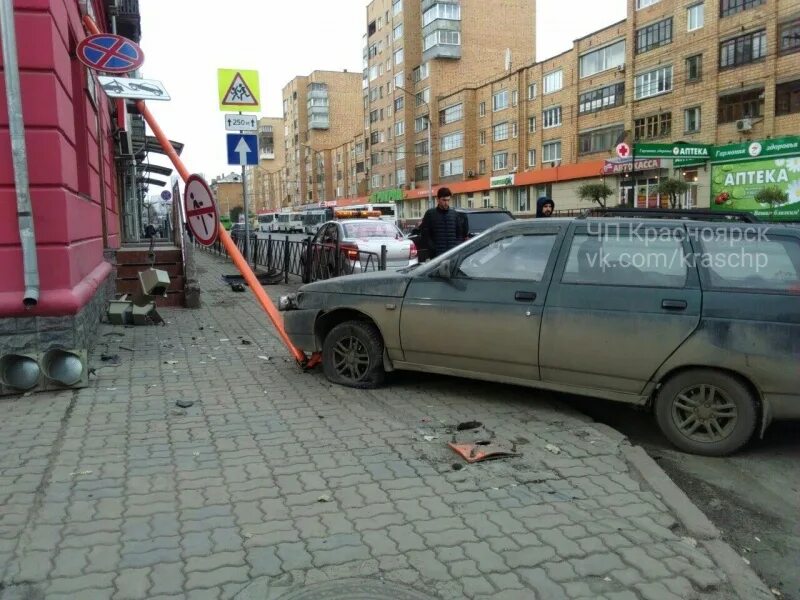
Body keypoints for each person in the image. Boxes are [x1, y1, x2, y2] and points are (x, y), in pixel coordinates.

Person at [420, 187, 468, 259]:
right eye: (444, 200)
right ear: (438, 199)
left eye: (448, 200)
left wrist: (456, 247)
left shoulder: (454, 214)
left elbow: (459, 234)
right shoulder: (430, 214)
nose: (446, 203)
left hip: (452, 255)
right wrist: (433, 248)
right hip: (437, 256)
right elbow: (425, 235)